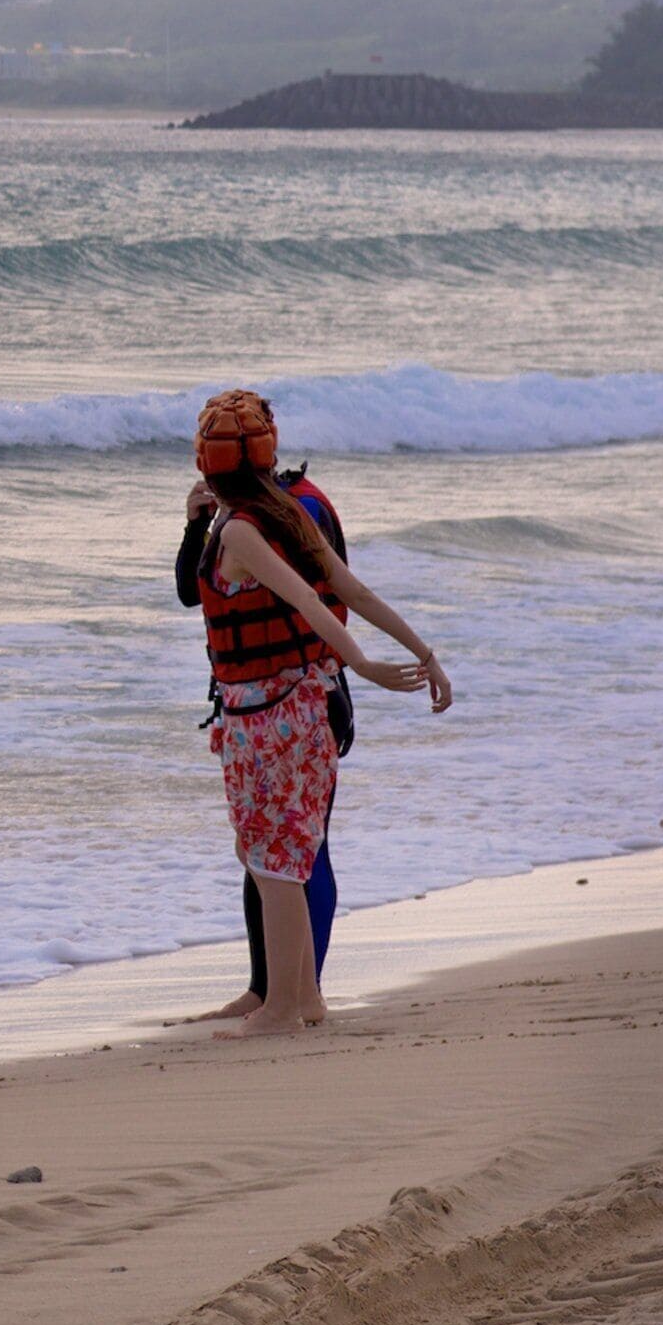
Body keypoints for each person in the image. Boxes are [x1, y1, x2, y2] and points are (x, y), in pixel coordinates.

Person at [186, 390, 451, 1039]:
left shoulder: (243, 530)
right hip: (309, 709)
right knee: (288, 856)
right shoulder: (289, 512)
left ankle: (276, 1010)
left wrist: (364, 665)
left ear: (205, 464)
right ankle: (304, 999)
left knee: (273, 862)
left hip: (268, 716)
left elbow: (308, 598)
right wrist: (424, 654)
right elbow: (349, 590)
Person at [176, 449, 353, 1021]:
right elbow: (191, 591)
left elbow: (325, 598)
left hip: (307, 699)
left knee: (300, 852)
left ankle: (304, 996)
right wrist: (195, 526)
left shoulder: (290, 515)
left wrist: (374, 666)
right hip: (259, 708)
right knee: (264, 853)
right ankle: (268, 990)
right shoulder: (240, 518)